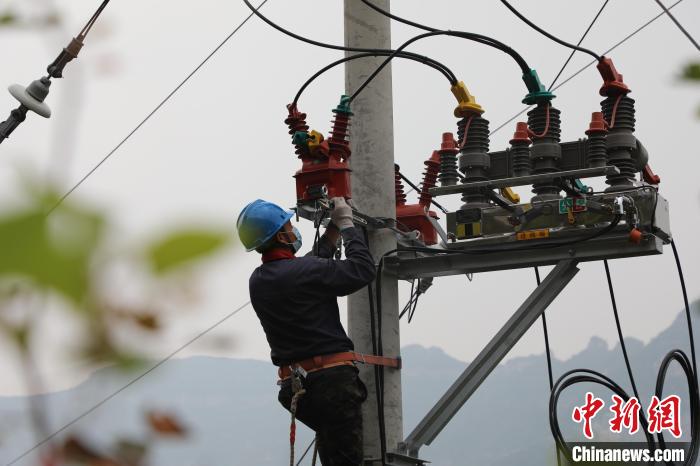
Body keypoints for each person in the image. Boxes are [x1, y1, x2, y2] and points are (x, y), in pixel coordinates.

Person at [236, 197, 376, 466]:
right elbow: (362, 269)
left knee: (334, 451)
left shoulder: (259, 280)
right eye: (288, 226)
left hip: (298, 387)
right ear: (280, 235)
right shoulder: (303, 272)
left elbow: (308, 268)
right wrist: (347, 225)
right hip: (331, 384)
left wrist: (332, 231)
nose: (292, 229)